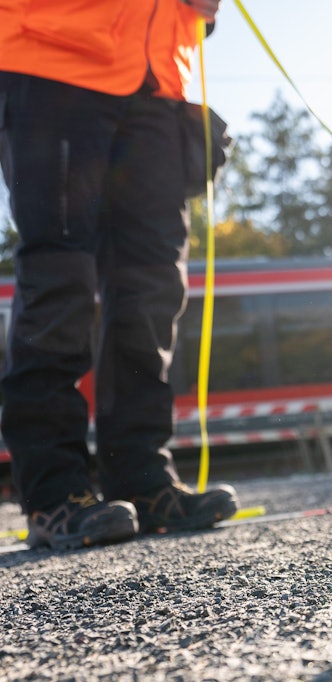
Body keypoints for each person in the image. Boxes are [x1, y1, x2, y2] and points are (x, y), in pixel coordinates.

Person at [0, 0, 239, 549]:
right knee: (61, 281)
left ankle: (141, 477)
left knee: (152, 288)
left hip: (158, 81)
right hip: (53, 58)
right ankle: (53, 493)